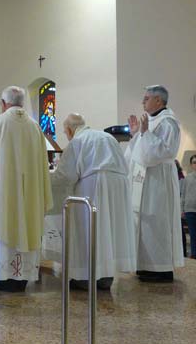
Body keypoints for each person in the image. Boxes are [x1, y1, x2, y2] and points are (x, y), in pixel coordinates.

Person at [51, 113, 136, 290]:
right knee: (109, 231)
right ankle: (106, 277)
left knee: (88, 230)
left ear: (69, 130)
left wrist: (45, 179)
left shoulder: (78, 140)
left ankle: (85, 278)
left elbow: (66, 175)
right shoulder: (107, 137)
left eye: (65, 133)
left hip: (95, 185)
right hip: (118, 186)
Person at [0, 86, 52, 292]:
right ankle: (22, 277)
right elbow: (43, 165)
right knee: (26, 226)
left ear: (3, 104)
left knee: (1, 228)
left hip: (2, 194)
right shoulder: (35, 127)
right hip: (30, 195)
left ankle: (0, 277)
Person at [126, 85, 183, 282]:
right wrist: (136, 134)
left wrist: (145, 134)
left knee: (158, 223)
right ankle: (145, 266)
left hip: (159, 181)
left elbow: (163, 152)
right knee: (144, 223)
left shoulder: (168, 122)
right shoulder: (151, 121)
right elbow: (138, 152)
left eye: (147, 98)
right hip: (145, 181)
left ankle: (161, 269)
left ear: (159, 100)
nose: (143, 101)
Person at [181, 155, 196, 259]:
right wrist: (182, 209)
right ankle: (194, 255)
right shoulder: (188, 178)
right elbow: (183, 194)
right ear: (191, 165)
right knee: (193, 234)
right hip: (190, 210)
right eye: (194, 162)